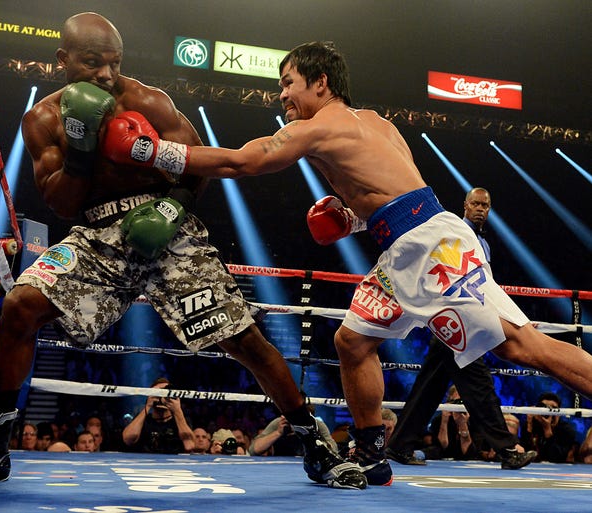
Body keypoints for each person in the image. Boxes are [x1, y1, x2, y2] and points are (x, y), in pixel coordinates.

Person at [119, 40, 592, 485]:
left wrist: (151, 150)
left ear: (320, 82)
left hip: (430, 250)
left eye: (288, 82)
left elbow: (245, 162)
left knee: (519, 345)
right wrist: (353, 220)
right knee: (352, 341)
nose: (281, 92)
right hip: (405, 248)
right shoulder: (378, 123)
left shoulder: (316, 127)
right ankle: (371, 454)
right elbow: (402, 193)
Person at [0, 15, 364, 490]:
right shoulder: (43, 119)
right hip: (96, 234)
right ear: (63, 60)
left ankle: (315, 444)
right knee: (19, 306)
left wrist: (172, 207)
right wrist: (82, 147)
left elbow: (198, 165)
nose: (106, 76)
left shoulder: (147, 101)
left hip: (167, 229)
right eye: (93, 64)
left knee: (244, 340)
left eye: (114, 64)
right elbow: (61, 203)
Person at [386, 189, 536, 470]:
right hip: (456, 318)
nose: (480, 209)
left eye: (485, 205)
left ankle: (398, 445)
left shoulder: (482, 243)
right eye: (476, 203)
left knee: (430, 386)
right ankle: (506, 449)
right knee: (479, 384)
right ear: (465, 205)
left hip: (461, 320)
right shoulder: (454, 232)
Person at [122, 377, 194, 454]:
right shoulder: (143, 420)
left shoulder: (180, 420)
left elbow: (189, 446)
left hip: (173, 464)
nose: (162, 396)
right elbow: (128, 440)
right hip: (146, 462)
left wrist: (177, 410)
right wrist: (148, 406)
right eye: (159, 392)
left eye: (166, 392)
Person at [521, 392, 578, 463]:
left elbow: (557, 458)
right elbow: (524, 454)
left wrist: (547, 430)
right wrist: (529, 426)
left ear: (559, 413)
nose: (548, 413)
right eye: (544, 408)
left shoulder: (566, 430)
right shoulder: (532, 426)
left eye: (553, 409)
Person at [249, 415, 337, 457]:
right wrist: (278, 433)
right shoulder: (280, 423)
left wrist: (313, 436)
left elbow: (334, 450)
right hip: (279, 469)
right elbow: (254, 450)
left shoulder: (317, 424)